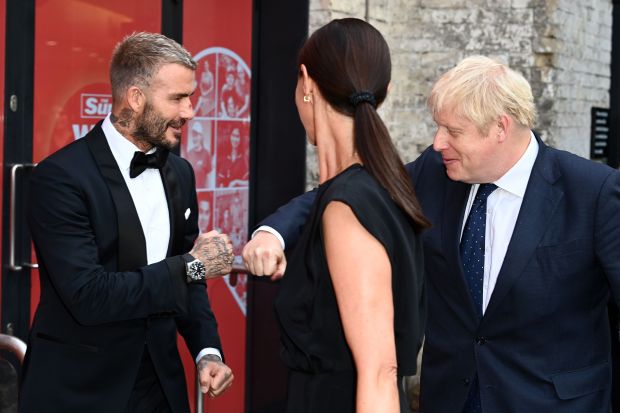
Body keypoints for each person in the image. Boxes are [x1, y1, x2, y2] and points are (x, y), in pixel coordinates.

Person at [243, 55, 620, 412]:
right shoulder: (435, 171)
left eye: (453, 131)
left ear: (501, 128)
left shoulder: (594, 193)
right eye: (438, 128)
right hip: (448, 399)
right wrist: (273, 232)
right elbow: (354, 191)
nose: (438, 143)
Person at [21, 32, 236, 413]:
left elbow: (190, 282)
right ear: (135, 98)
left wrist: (207, 350)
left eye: (190, 97)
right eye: (177, 98)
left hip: (160, 387)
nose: (189, 111)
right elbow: (89, 296)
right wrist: (192, 265)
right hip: (79, 390)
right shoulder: (60, 178)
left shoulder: (181, 174)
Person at [249, 18, 428, 412]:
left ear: (306, 83)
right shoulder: (373, 187)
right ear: (386, 92)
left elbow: (379, 372)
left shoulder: (349, 206)